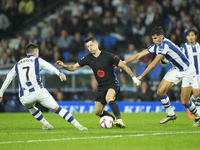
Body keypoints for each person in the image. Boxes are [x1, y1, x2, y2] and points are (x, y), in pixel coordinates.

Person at [55, 37, 141, 128]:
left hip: (112, 84)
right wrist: (64, 66)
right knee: (98, 112)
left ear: (97, 44)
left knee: (109, 98)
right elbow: (73, 68)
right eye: (88, 46)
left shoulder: (108, 56)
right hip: (101, 87)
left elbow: (124, 66)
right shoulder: (88, 58)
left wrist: (134, 78)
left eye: (91, 45)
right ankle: (113, 120)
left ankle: (119, 120)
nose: (90, 48)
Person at [123, 26, 200, 127]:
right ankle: (171, 114)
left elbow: (154, 64)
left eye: (155, 38)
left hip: (188, 70)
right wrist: (124, 62)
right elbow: (139, 54)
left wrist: (141, 76)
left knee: (184, 101)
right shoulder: (156, 45)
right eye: (153, 38)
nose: (154, 40)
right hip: (177, 69)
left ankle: (198, 117)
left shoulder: (165, 45)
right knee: (160, 92)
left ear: (161, 37)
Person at [0, 43, 87, 131]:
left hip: (24, 97)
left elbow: (8, 79)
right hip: (39, 92)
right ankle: (78, 125)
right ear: (35, 52)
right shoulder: (37, 60)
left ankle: (46, 124)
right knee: (57, 108)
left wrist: (0, 94)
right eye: (37, 52)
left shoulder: (17, 64)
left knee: (30, 107)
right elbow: (50, 66)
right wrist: (59, 73)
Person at [181, 29, 200, 119]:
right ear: (186, 37)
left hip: (199, 73)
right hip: (191, 74)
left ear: (196, 36)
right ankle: (189, 105)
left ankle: (197, 118)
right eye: (189, 35)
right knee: (196, 93)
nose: (191, 37)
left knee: (199, 95)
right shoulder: (184, 48)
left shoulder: (199, 46)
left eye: (192, 35)